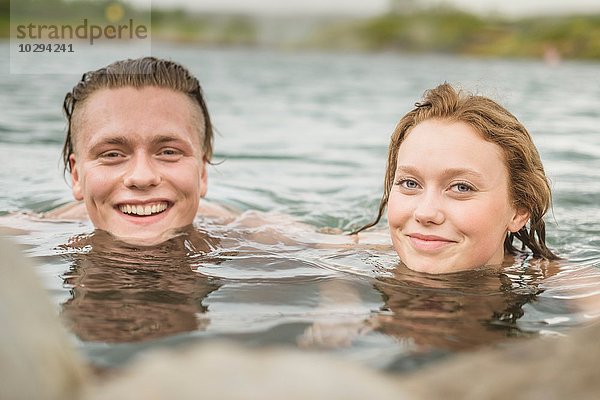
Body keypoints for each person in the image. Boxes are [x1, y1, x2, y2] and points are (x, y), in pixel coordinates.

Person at [354, 83, 558, 274]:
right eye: (410, 183)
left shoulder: (565, 287)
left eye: (461, 187)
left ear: (519, 211)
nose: (425, 213)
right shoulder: (353, 253)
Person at [44, 57, 234, 245]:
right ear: (77, 177)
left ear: (202, 173)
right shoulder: (27, 236)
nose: (142, 178)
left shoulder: (252, 236)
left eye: (168, 152)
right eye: (112, 154)